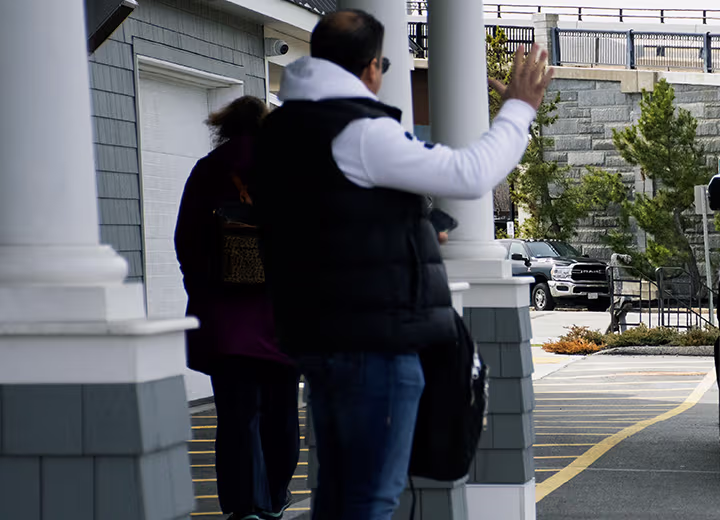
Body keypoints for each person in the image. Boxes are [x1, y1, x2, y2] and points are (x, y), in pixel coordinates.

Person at [250, 8, 552, 520]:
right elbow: (470, 174)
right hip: (374, 342)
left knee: (339, 495)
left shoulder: (282, 130)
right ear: (370, 67)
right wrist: (519, 109)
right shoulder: (357, 132)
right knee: (371, 498)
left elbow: (331, 222)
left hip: (317, 336)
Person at [175, 96, 300, 520]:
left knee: (235, 418)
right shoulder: (289, 169)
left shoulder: (207, 171)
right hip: (283, 318)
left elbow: (186, 243)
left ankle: (243, 505)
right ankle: (277, 496)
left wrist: (205, 291)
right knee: (282, 413)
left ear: (223, 127)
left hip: (226, 321)